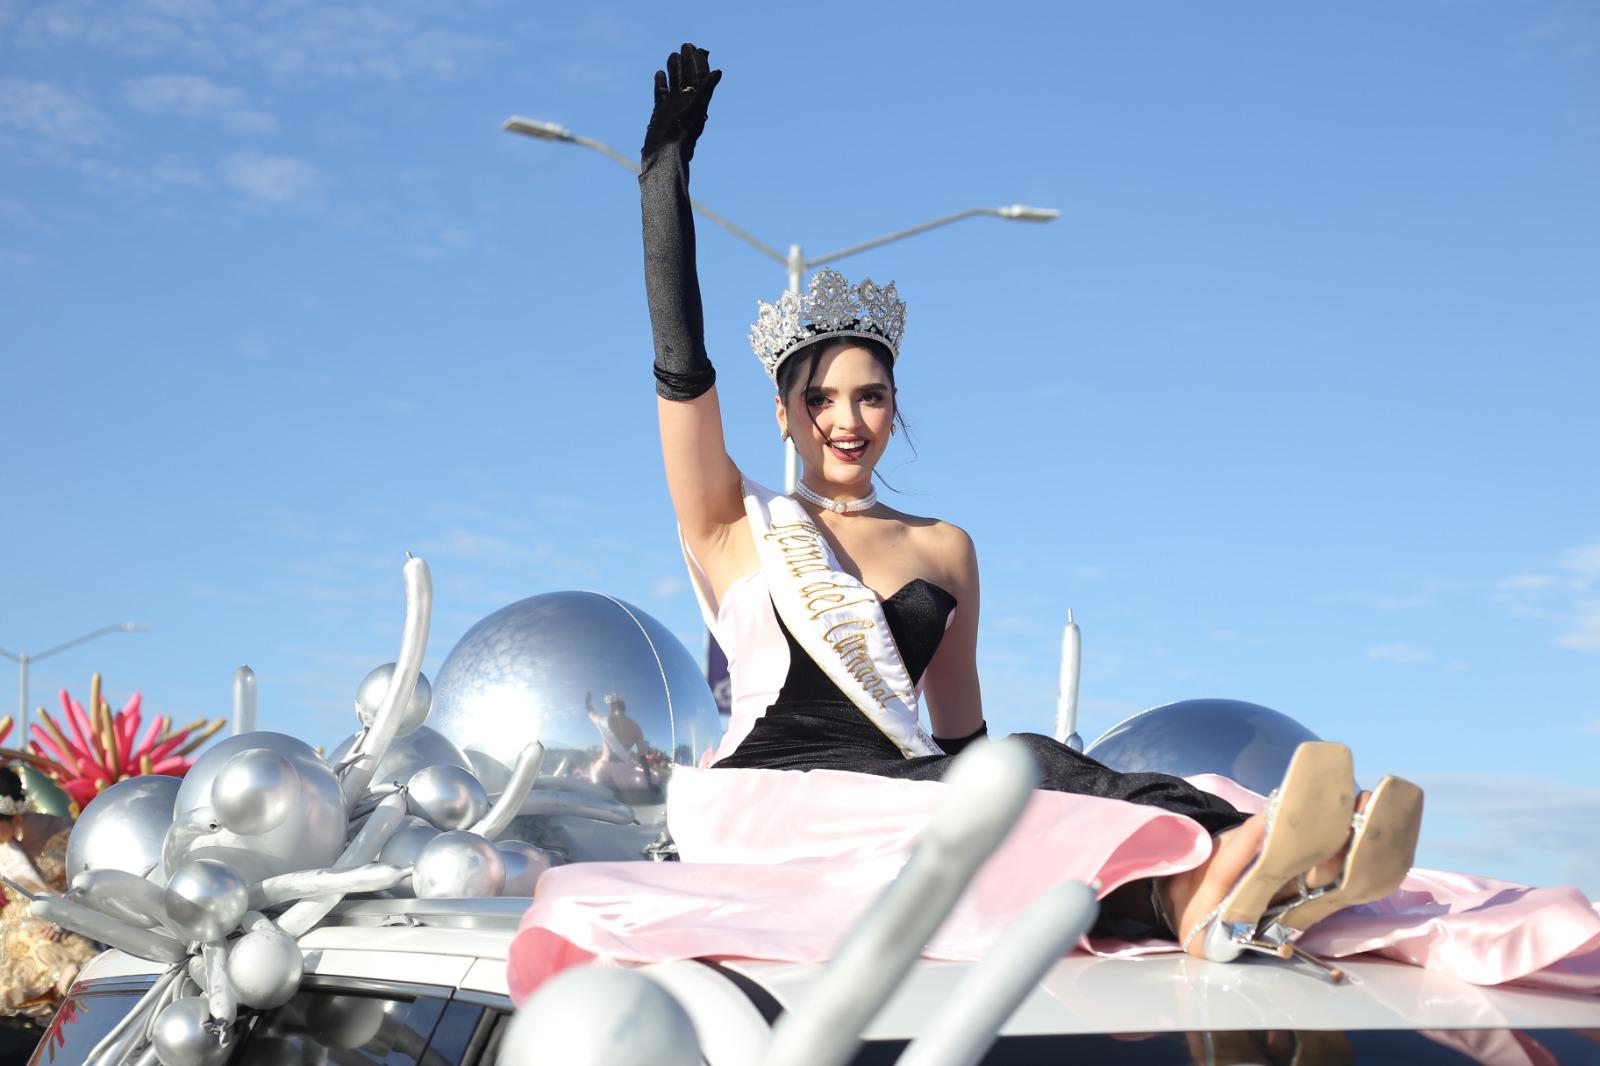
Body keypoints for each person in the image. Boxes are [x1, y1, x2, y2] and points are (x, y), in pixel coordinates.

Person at [636, 43, 1423, 968]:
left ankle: (1225, 875)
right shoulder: (732, 521)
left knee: (1031, 767)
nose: (848, 421)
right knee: (1029, 771)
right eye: (821, 400)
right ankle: (1240, 849)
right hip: (775, 803)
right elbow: (682, 367)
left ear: (895, 407)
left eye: (872, 396)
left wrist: (1027, 778)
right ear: (785, 414)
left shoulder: (945, 547)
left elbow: (961, 734)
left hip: (895, 794)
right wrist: (663, 180)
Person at [0, 766, 97, 1019]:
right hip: (15, 926)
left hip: (69, 922)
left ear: (17, 820)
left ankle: (66, 980)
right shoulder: (6, 847)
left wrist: (65, 916)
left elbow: (94, 883)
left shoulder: (67, 832)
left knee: (34, 934)